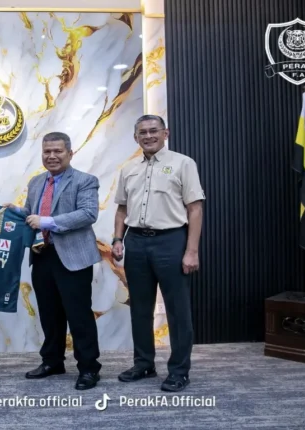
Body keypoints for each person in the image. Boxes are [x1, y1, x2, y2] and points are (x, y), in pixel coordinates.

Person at [112, 114, 205, 392]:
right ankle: (144, 364)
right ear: (135, 137)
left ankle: (179, 371)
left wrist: (191, 251)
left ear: (166, 133)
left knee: (178, 311)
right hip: (136, 242)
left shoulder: (183, 163)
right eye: (142, 132)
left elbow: (195, 209)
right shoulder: (128, 169)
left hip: (171, 241)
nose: (148, 136)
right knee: (140, 308)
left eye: (154, 131)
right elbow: (122, 208)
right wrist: (117, 239)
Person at [7, 132, 102, 390]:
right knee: (49, 314)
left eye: (58, 151)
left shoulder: (85, 180)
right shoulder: (36, 181)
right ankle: (52, 361)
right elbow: (31, 214)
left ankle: (89, 368)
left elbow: (88, 213)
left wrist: (47, 221)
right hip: (42, 254)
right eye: (47, 151)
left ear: (70, 153)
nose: (52, 156)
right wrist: (11, 211)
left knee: (79, 315)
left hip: (73, 258)